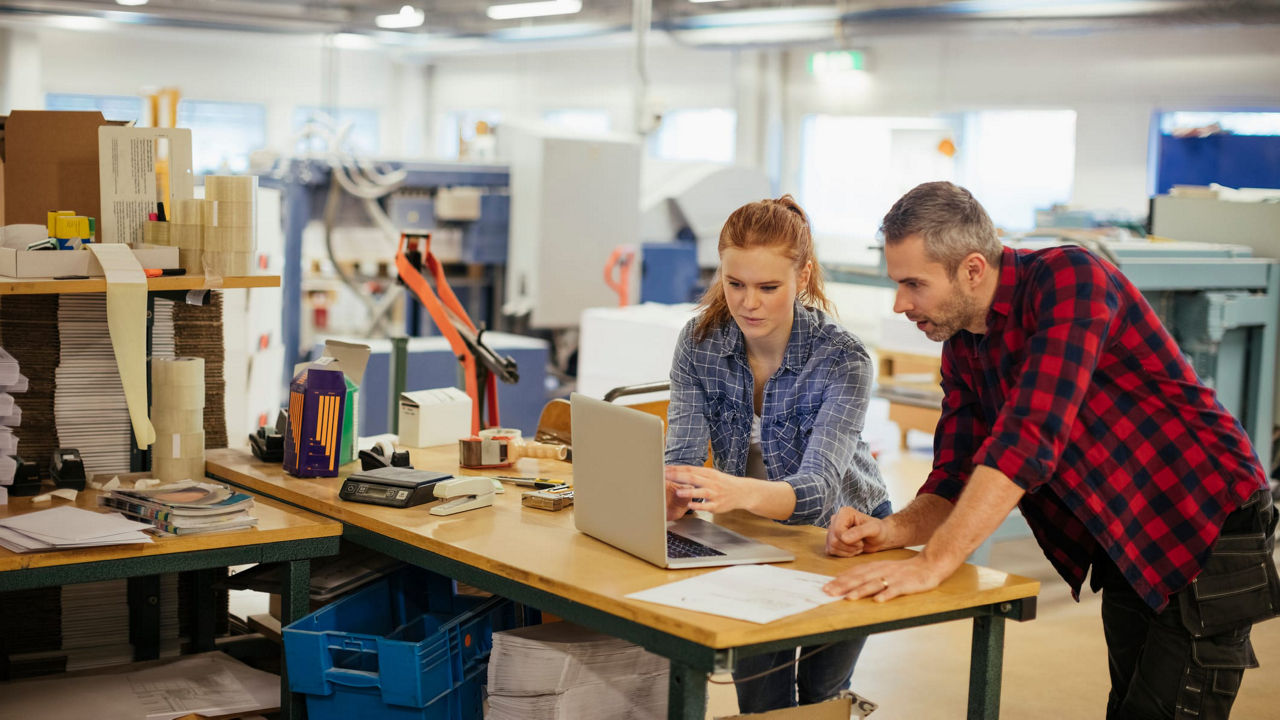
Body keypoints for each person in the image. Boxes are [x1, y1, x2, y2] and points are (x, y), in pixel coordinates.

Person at [822, 181, 1280, 719]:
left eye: (913, 284)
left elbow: (1030, 437)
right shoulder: (965, 343)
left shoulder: (1070, 280)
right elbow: (953, 477)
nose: (901, 304)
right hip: (1129, 526)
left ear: (972, 269)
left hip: (1204, 515)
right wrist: (893, 531)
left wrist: (936, 562)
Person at [663, 194, 891, 712]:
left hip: (845, 535)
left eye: (769, 287)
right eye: (734, 283)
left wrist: (726, 490)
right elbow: (679, 458)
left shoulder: (844, 359)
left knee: (819, 696)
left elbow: (816, 494)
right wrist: (671, 492)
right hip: (750, 532)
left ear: (803, 277)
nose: (748, 303)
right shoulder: (698, 342)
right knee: (760, 699)